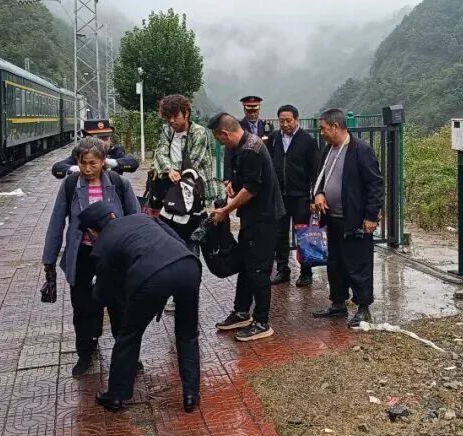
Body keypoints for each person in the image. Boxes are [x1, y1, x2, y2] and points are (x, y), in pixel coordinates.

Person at [81, 204, 202, 414]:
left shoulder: (102, 245)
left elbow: (103, 291)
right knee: (187, 334)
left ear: (92, 231)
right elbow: (176, 239)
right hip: (188, 266)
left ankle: (116, 395)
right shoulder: (144, 218)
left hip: (151, 278)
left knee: (129, 335)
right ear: (112, 215)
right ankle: (191, 395)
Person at [42, 137, 140, 377]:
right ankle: (85, 354)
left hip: (113, 255)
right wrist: (49, 259)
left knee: (119, 306)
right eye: (83, 163)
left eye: (93, 163)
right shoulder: (70, 186)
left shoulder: (118, 183)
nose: (87, 169)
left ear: (103, 161)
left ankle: (127, 355)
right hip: (82, 254)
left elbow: (136, 220)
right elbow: (57, 222)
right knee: (82, 307)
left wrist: (138, 254)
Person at [208, 112, 285, 341]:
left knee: (259, 270)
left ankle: (262, 322)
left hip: (265, 218)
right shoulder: (244, 146)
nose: (223, 144)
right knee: (246, 265)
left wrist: (226, 210)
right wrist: (233, 185)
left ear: (225, 133)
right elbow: (245, 182)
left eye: (221, 140)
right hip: (252, 217)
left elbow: (252, 189)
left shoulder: (251, 149)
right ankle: (242, 312)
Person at [311, 108, 384, 328]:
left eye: (324, 128)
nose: (321, 133)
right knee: (335, 263)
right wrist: (319, 193)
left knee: (358, 264)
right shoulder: (328, 150)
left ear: (336, 127)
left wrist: (371, 216)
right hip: (332, 217)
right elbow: (320, 178)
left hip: (355, 219)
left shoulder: (360, 150)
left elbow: (375, 185)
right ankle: (338, 303)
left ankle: (363, 308)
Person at [151, 94, 220, 247]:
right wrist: (169, 169)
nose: (171, 121)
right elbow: (160, 152)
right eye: (168, 117)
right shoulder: (167, 130)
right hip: (171, 190)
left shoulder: (199, 132)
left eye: (175, 116)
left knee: (191, 237)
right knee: (169, 235)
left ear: (186, 113)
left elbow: (191, 164)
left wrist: (164, 168)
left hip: (193, 191)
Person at [270, 104, 318, 286]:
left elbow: (315, 171)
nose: (285, 124)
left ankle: (306, 272)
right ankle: (283, 269)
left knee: (303, 233)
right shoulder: (274, 138)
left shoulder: (307, 141)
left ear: (297, 120)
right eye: (281, 121)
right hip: (280, 195)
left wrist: (315, 195)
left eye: (288, 121)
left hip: (300, 195)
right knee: (279, 233)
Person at [52, 119, 139, 178]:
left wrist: (110, 163)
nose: (104, 143)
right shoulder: (81, 154)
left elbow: (133, 164)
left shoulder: (115, 152)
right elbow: (57, 170)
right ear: (87, 139)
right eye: (99, 139)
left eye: (106, 139)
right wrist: (77, 169)